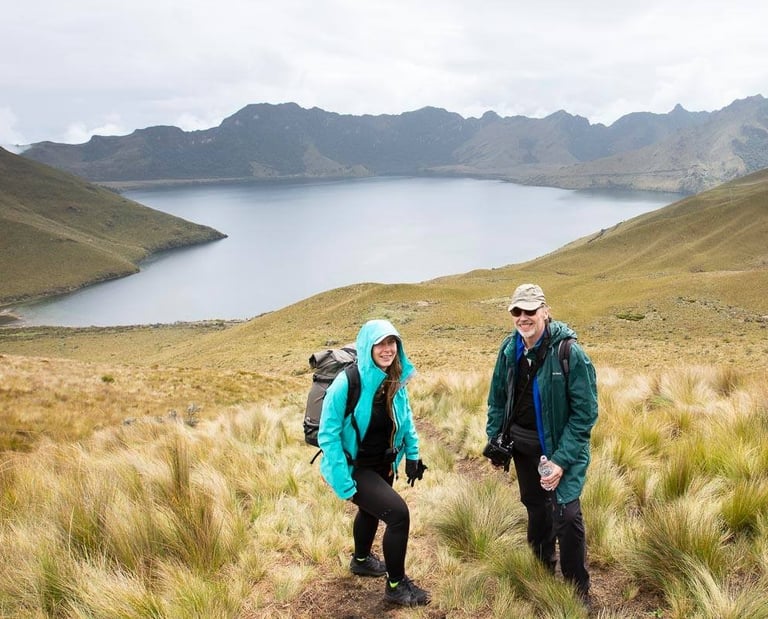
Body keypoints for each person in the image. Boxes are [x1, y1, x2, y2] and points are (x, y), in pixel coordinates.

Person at [484, 283, 598, 604]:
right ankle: (542, 572)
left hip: (563, 448)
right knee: (537, 510)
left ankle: (578, 589)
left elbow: (584, 415)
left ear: (545, 312)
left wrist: (561, 461)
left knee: (567, 514)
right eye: (517, 312)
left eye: (530, 311)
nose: (523, 318)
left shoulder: (570, 354)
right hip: (523, 446)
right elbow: (497, 399)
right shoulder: (509, 351)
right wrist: (495, 438)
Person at [318, 318, 430, 607]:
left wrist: (413, 455)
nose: (387, 349)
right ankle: (395, 586)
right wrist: (344, 482)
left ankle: (361, 560)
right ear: (368, 345)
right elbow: (327, 435)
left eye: (392, 342)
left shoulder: (395, 378)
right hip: (356, 468)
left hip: (384, 464)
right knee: (398, 515)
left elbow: (407, 419)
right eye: (380, 343)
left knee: (370, 513)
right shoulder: (348, 382)